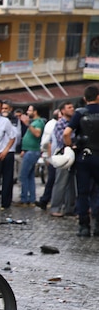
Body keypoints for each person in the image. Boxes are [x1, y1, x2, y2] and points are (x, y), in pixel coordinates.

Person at [63, 84, 99, 237]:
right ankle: (98, 226)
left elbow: (66, 133)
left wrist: (71, 145)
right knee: (98, 191)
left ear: (85, 98)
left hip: (83, 156)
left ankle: (84, 226)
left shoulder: (79, 113)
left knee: (82, 192)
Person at [49, 102, 76, 217]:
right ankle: (55, 207)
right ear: (63, 111)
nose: (72, 109)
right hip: (64, 156)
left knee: (73, 183)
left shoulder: (75, 122)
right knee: (60, 182)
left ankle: (71, 208)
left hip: (75, 155)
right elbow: (63, 138)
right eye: (69, 107)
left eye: (72, 107)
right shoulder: (60, 124)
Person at [17, 104, 45, 205]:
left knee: (23, 175)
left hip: (32, 151)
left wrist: (28, 124)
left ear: (35, 112)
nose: (27, 112)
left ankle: (24, 198)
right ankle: (31, 198)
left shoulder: (38, 122)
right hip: (29, 150)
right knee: (29, 176)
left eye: (29, 110)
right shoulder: (34, 122)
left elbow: (37, 134)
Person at [36, 108, 60, 210]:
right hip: (54, 156)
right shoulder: (54, 125)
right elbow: (49, 142)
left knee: (52, 179)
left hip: (50, 154)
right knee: (53, 179)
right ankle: (46, 200)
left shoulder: (51, 124)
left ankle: (45, 200)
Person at [0, 101, 21, 209]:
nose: (4, 110)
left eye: (6, 108)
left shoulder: (15, 120)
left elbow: (17, 135)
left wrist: (11, 148)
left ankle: (6, 202)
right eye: (2, 108)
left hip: (10, 151)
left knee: (8, 178)